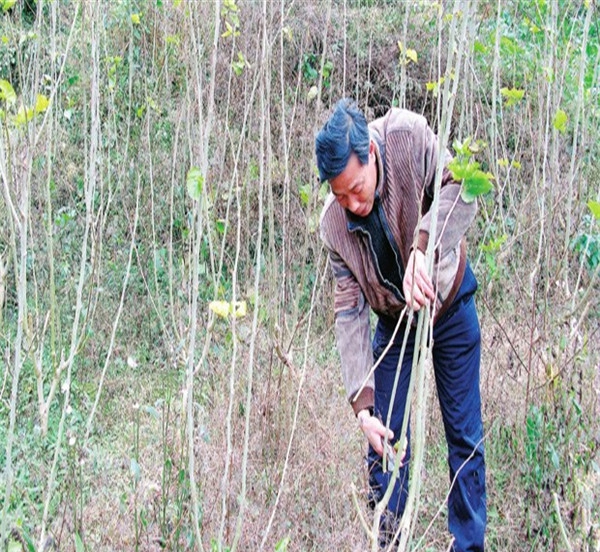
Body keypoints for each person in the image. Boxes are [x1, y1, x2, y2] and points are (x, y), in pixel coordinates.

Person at [315, 99, 486, 551]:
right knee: (383, 445)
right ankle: (387, 542)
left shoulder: (407, 137)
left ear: (370, 151)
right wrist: (362, 408)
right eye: (340, 195)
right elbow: (348, 311)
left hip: (448, 304)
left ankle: (468, 546)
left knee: (465, 441)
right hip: (394, 324)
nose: (352, 202)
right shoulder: (333, 227)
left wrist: (423, 249)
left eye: (356, 187)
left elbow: (463, 188)